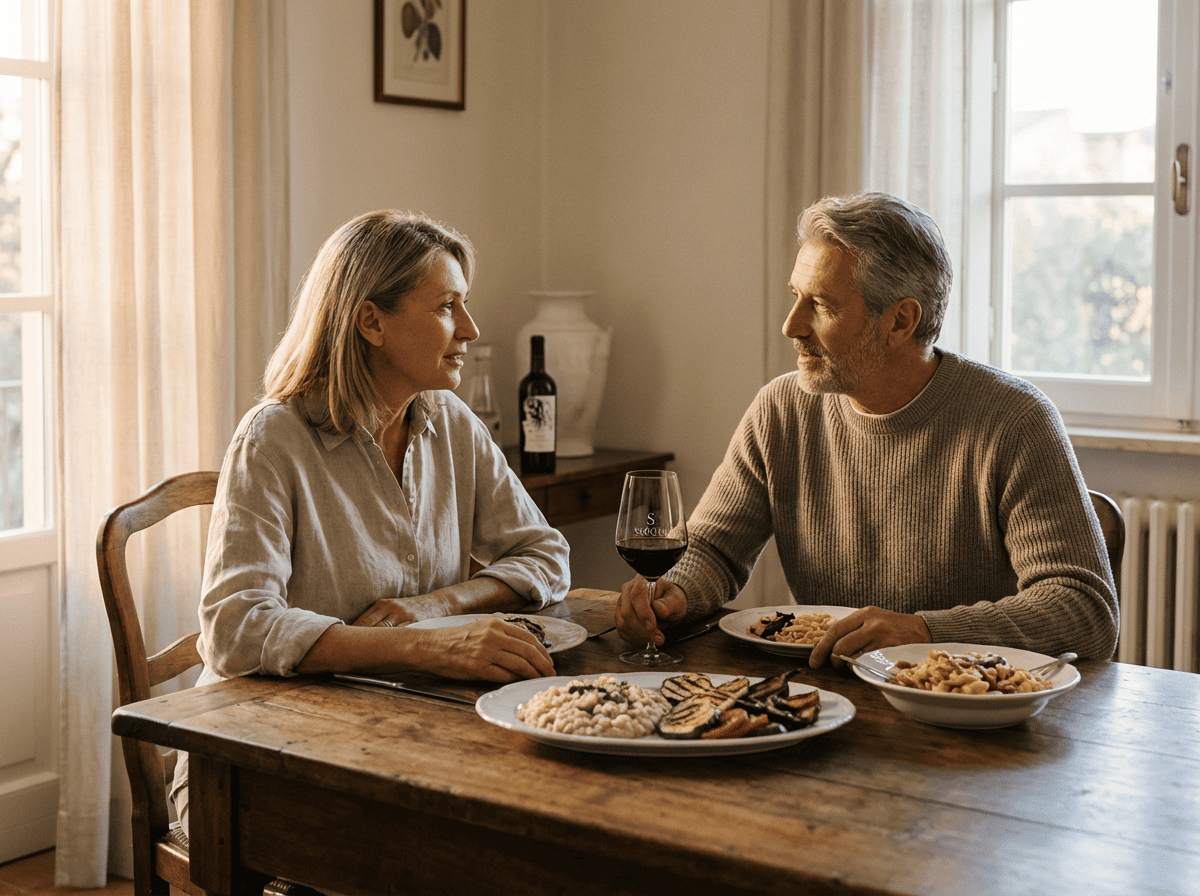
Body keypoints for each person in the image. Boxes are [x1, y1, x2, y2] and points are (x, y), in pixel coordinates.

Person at [172, 210, 570, 835]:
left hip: (397, 732)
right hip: (253, 758)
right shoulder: (273, 438)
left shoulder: (450, 422)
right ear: (370, 321)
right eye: (446, 306)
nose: (469, 328)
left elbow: (545, 556)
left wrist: (439, 607)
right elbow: (235, 629)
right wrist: (425, 646)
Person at [616, 191, 1118, 667]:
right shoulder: (781, 410)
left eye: (823, 305)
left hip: (964, 713)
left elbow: (1084, 609)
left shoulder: (1014, 421)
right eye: (796, 296)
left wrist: (924, 632)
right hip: (824, 698)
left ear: (900, 321)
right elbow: (713, 548)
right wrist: (672, 593)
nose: (792, 326)